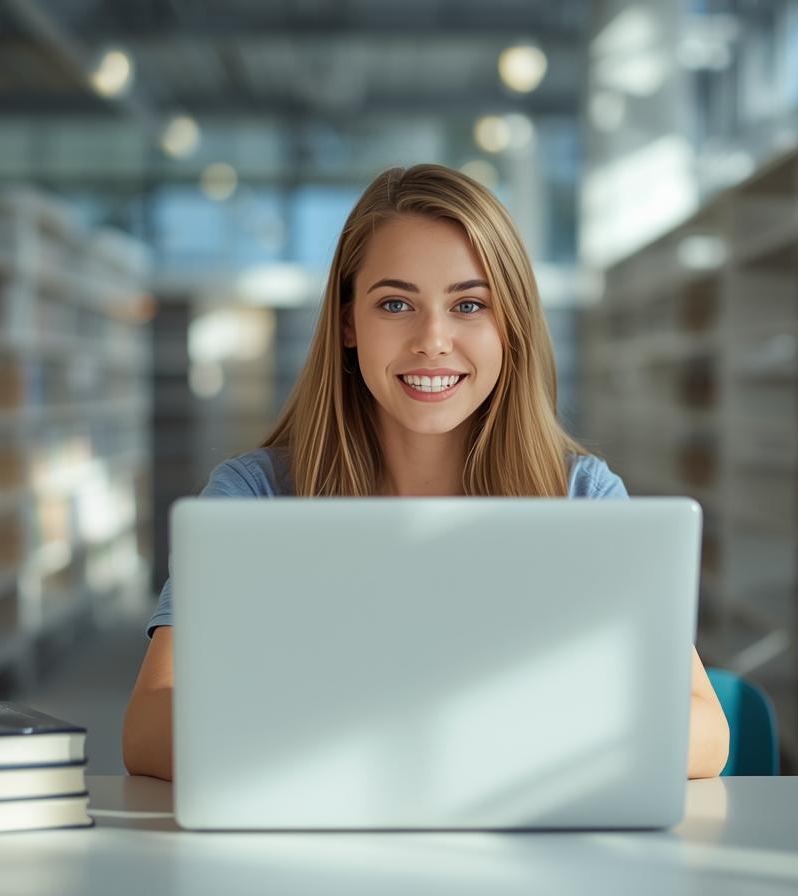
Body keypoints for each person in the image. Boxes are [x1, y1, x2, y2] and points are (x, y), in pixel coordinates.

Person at [122, 164, 730, 781]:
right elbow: (149, 726)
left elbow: (706, 734)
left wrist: (470, 739)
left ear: (511, 324)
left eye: (469, 305)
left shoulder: (582, 500)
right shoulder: (252, 498)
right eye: (395, 304)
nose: (432, 340)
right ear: (348, 322)